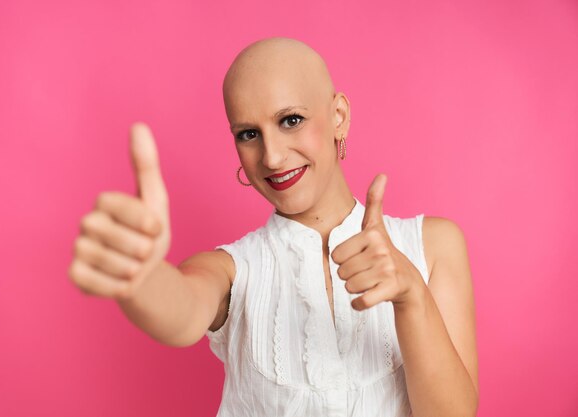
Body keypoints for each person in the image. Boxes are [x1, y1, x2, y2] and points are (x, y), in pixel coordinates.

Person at [68, 36, 479, 417]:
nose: (273, 157)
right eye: (249, 134)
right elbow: (183, 310)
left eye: (291, 120)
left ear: (338, 116)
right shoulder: (232, 269)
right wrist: (139, 277)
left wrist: (411, 295)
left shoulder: (433, 245)